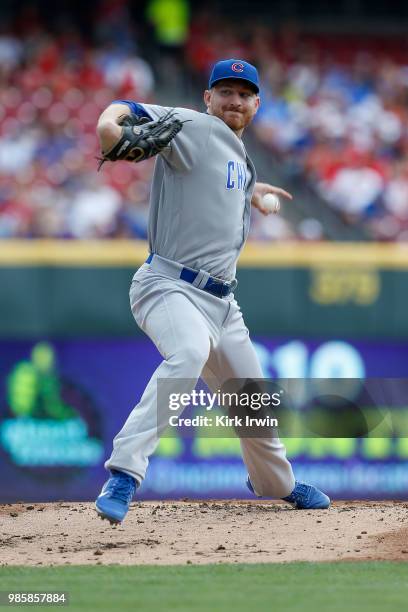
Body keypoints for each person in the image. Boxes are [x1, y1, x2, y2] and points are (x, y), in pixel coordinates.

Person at [95, 59, 330, 523]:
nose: (234, 100)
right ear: (208, 98)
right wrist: (108, 123)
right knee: (187, 352)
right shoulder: (194, 125)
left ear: (257, 104)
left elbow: (221, 181)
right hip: (169, 285)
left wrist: (253, 194)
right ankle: (124, 472)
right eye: (225, 91)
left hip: (223, 303)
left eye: (244, 94)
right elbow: (124, 112)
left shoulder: (239, 155)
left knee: (254, 405)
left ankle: (275, 484)